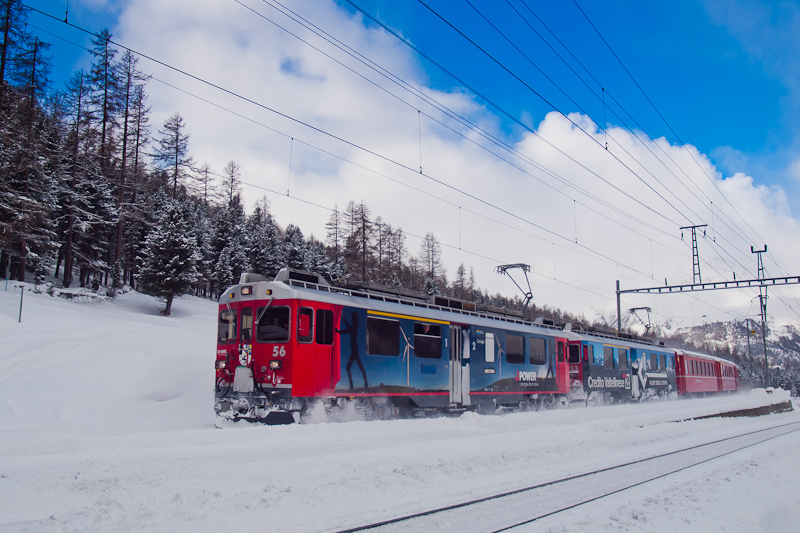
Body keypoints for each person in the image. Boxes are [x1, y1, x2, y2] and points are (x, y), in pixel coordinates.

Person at [339, 311, 369, 390]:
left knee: (351, 367)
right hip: (354, 350)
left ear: (354, 319)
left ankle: (355, 386)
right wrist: (339, 332)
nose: (351, 319)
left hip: (355, 350)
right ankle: (364, 385)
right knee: (357, 368)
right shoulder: (354, 327)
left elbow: (348, 328)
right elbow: (347, 329)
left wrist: (343, 318)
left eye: (352, 318)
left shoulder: (355, 327)